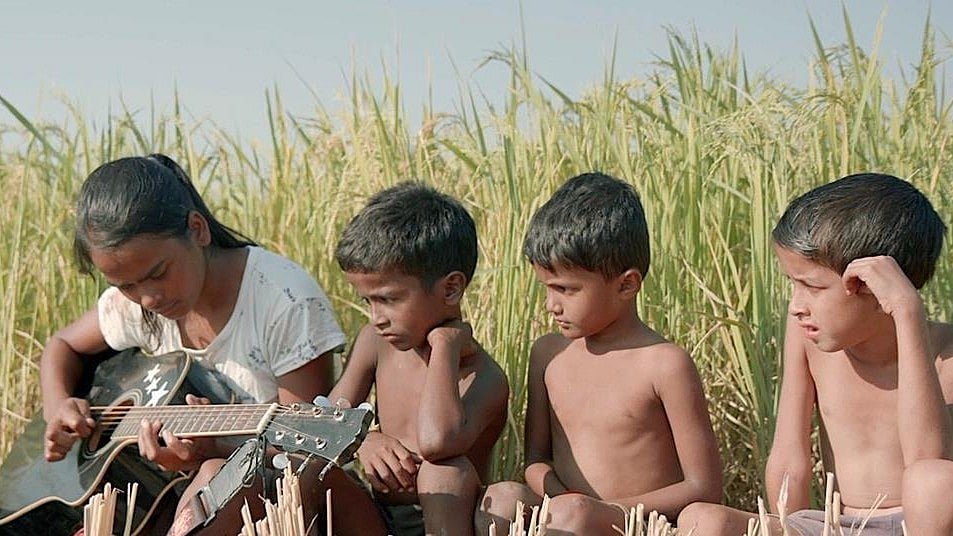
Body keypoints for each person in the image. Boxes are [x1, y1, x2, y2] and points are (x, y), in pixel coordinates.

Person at [40, 154, 347, 535]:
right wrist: (58, 406)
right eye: (125, 286)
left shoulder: (285, 301)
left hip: (273, 501)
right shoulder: (138, 305)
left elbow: (302, 455)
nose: (146, 298)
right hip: (170, 497)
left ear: (198, 230)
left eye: (157, 274)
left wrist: (212, 450)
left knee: (214, 472)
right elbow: (62, 345)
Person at [677, 173, 953, 536]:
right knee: (702, 520)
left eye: (811, 286)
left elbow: (926, 462)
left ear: (873, 288)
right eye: (794, 284)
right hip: (835, 526)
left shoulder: (945, 353)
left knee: (933, 480)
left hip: (920, 525)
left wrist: (907, 312)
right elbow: (789, 455)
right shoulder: (809, 339)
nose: (796, 307)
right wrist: (784, 525)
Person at [476, 172, 723, 535]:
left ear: (626, 284)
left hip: (639, 526)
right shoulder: (547, 355)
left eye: (565, 289)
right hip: (562, 518)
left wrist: (598, 512)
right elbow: (536, 460)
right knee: (501, 499)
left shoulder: (663, 364)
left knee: (575, 515)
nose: (550, 305)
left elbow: (704, 486)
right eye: (546, 288)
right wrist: (562, 502)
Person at [318, 182, 510, 536]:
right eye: (368, 302)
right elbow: (328, 422)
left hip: (450, 520)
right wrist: (364, 441)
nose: (377, 317)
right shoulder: (375, 342)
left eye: (388, 300)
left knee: (444, 471)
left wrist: (446, 348)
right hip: (377, 517)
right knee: (310, 473)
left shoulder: (485, 377)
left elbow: (438, 443)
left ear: (451, 289)